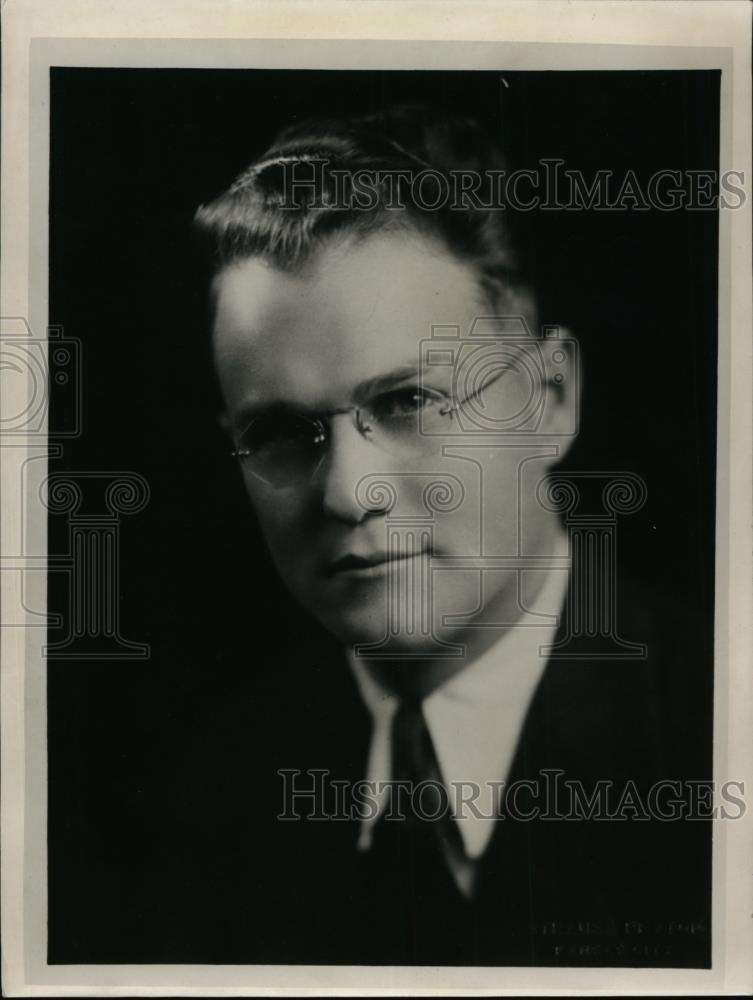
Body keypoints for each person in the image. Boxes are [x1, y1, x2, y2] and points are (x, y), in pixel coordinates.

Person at [130, 106, 712, 967]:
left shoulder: (712, 733)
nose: (348, 493)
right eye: (283, 433)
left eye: (406, 401)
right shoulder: (225, 783)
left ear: (549, 398)